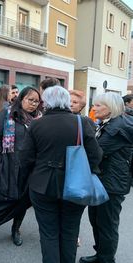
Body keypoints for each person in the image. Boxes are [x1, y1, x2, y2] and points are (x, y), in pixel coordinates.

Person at [20, 86, 102, 263]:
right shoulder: (83, 122)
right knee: (70, 232)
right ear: (66, 101)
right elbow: (96, 156)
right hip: (76, 185)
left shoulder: (36, 124)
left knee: (48, 233)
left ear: (46, 102)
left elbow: (25, 159)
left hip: (42, 184)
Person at [0, 87, 42, 251]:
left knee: (22, 201)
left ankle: (15, 230)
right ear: (21, 98)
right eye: (30, 99)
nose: (33, 104)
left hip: (27, 169)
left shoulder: (39, 119)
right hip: (7, 166)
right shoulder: (8, 113)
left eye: (36, 101)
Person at [79, 92, 133, 263]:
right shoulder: (111, 123)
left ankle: (106, 259)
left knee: (107, 224)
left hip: (112, 184)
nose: (93, 108)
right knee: (96, 220)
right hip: (105, 181)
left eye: (98, 105)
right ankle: (101, 254)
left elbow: (96, 152)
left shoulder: (117, 128)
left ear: (111, 109)